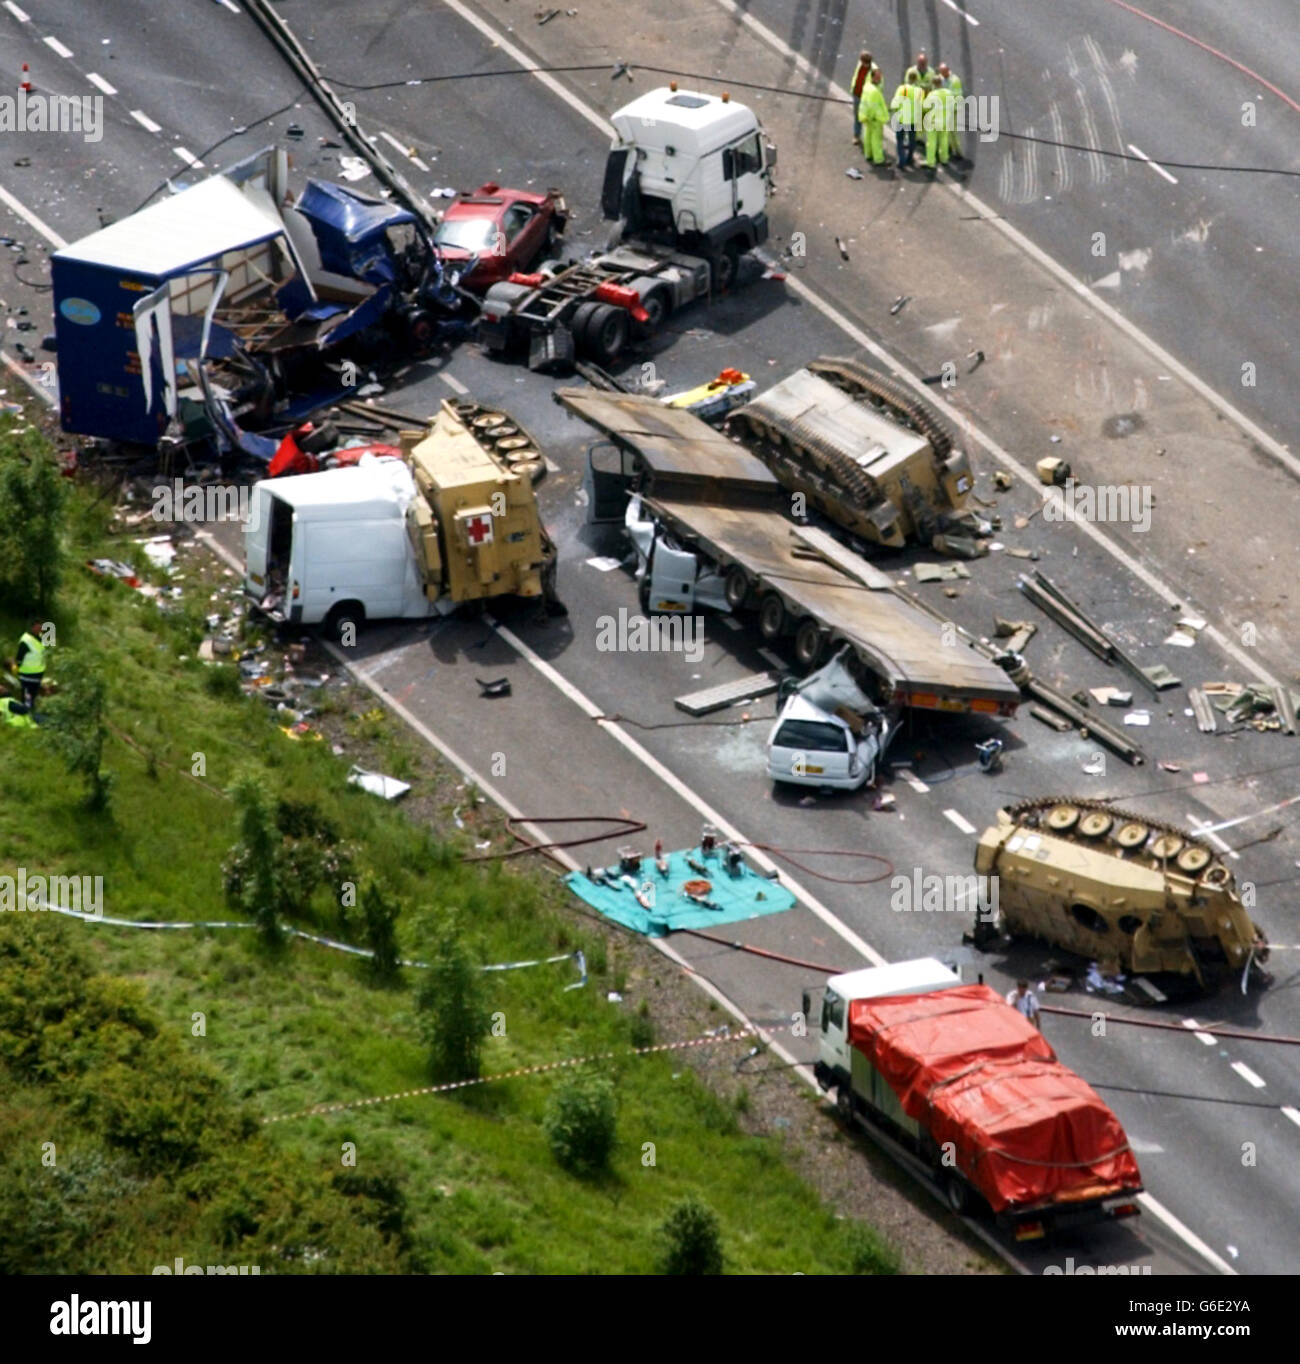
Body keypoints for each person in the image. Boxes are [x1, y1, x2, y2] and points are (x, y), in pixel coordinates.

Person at [859, 67, 891, 167]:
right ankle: (878, 159)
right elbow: (874, 106)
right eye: (878, 77)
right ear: (873, 77)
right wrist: (876, 116)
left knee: (868, 135)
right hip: (875, 118)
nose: (880, 79)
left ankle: (868, 154)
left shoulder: (867, 86)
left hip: (866, 116)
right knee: (876, 139)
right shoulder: (875, 91)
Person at [890, 73, 924, 169]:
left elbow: (895, 103)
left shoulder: (902, 89)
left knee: (900, 140)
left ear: (907, 78)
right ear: (916, 79)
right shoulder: (919, 91)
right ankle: (909, 158)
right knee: (912, 140)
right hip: (913, 120)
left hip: (902, 118)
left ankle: (901, 161)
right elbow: (921, 105)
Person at [14, 621, 45, 713]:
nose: (40, 629)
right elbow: (19, 657)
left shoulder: (40, 638)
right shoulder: (26, 640)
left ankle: (31, 710)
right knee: (27, 697)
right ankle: (25, 713)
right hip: (27, 675)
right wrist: (17, 669)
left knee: (33, 695)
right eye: (38, 627)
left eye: (41, 628)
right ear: (32, 627)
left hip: (38, 673)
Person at [938, 62, 965, 159]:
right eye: (941, 72)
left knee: (953, 132)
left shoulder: (955, 81)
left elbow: (957, 96)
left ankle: (957, 151)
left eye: (943, 72)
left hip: (952, 109)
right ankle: (948, 147)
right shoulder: (941, 78)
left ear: (947, 71)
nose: (942, 75)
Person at [850, 51, 875, 144]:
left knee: (868, 118)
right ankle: (857, 135)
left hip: (866, 98)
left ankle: (870, 138)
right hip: (856, 94)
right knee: (857, 117)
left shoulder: (873, 71)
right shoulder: (859, 65)